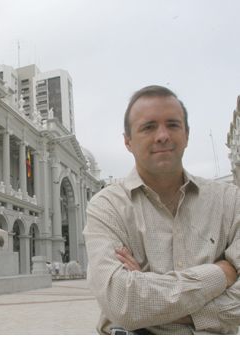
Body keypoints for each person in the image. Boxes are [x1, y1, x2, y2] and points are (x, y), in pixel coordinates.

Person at [83, 85, 239, 334]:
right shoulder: (107, 207)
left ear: (187, 134)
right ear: (127, 141)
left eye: (173, 125)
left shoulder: (230, 201)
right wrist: (222, 273)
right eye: (148, 127)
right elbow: (122, 302)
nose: (162, 135)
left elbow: (135, 306)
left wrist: (148, 294)